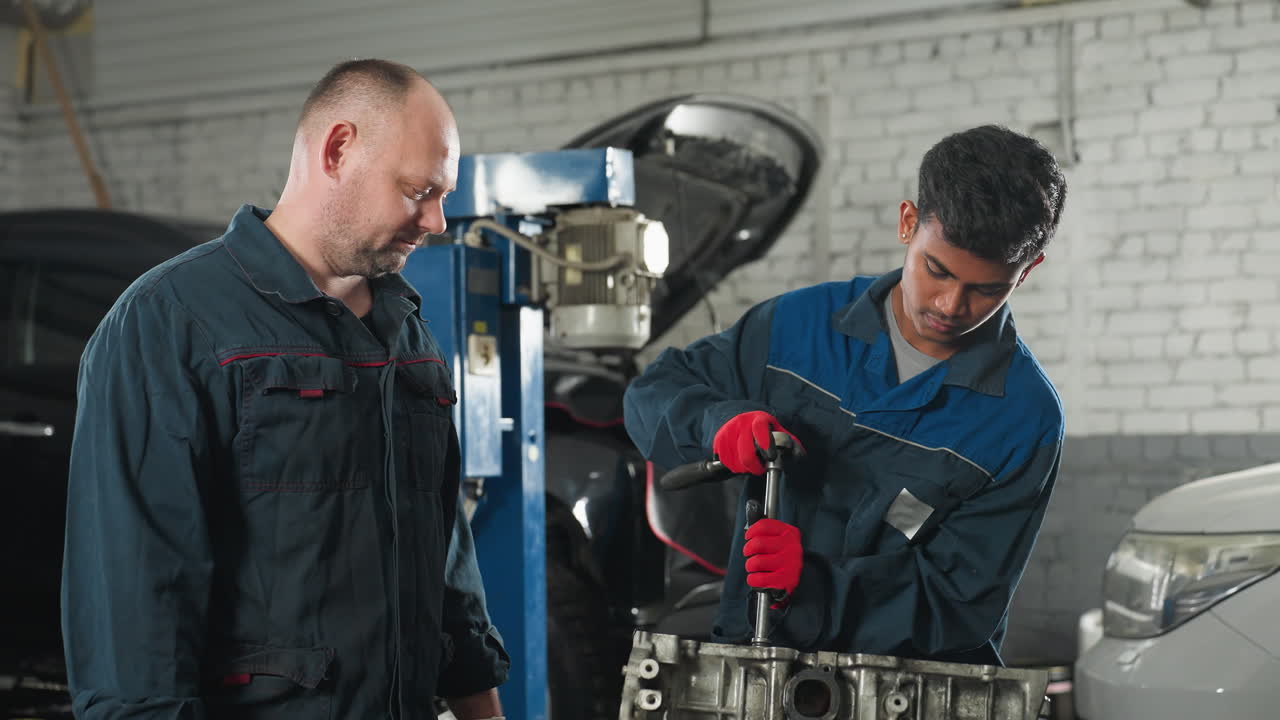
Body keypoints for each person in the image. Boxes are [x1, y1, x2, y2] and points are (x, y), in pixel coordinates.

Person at [62, 59, 508, 719]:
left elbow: (445, 563)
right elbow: (137, 604)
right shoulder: (172, 322)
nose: (438, 220)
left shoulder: (406, 331)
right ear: (338, 150)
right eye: (419, 190)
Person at [624, 125, 1067, 665]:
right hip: (755, 660)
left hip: (911, 687)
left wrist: (812, 587)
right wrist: (717, 423)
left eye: (987, 289)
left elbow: (962, 603)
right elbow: (652, 393)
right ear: (908, 223)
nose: (950, 305)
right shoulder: (798, 328)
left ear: (1027, 270)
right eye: (937, 270)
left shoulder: (1022, 419)